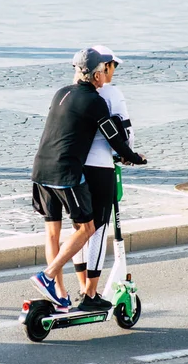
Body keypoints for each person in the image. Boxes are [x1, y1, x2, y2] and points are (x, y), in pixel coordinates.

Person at [30, 48, 147, 312]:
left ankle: (60, 294)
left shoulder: (61, 93)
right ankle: (48, 276)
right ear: (96, 74)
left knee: (52, 233)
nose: (107, 73)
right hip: (66, 172)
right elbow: (113, 137)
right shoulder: (95, 101)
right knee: (87, 227)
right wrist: (134, 157)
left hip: (40, 169)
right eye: (104, 70)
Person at [71, 45, 135, 308]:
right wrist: (128, 155)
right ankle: (91, 293)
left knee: (79, 228)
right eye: (113, 67)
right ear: (104, 68)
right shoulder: (110, 93)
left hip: (75, 168)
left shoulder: (73, 92)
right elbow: (124, 128)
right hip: (100, 166)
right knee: (98, 229)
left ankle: (82, 286)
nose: (113, 72)